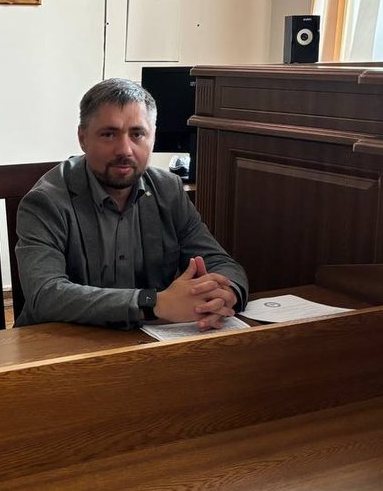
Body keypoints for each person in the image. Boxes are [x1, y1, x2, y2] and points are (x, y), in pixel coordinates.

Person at [15, 77, 248, 329]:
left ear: (153, 136)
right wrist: (151, 303)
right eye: (109, 134)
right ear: (83, 138)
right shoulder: (47, 200)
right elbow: (45, 295)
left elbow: (221, 263)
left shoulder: (168, 190)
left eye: (137, 134)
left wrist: (225, 294)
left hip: (147, 340)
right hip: (62, 342)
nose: (125, 149)